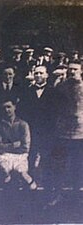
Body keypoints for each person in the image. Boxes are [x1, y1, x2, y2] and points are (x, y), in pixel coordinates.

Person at [51, 60, 83, 205]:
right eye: (70, 69)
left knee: (78, 165)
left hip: (81, 133)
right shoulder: (61, 87)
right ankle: (58, 194)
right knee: (60, 165)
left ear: (81, 70)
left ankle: (77, 195)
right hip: (63, 132)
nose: (72, 72)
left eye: (75, 69)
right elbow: (55, 108)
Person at [19, 66, 58, 187]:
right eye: (36, 73)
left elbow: (56, 112)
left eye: (41, 73)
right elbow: (22, 111)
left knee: (47, 157)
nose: (38, 75)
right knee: (31, 155)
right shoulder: (27, 91)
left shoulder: (53, 92)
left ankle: (47, 184)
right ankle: (30, 183)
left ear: (46, 75)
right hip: (31, 130)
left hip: (47, 130)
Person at [0, 97, 37, 190]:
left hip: (20, 155)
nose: (6, 110)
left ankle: (32, 195)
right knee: (4, 172)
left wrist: (6, 146)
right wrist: (13, 145)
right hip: (4, 155)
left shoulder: (23, 124)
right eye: (4, 108)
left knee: (23, 174)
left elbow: (25, 147)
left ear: (14, 107)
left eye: (9, 107)